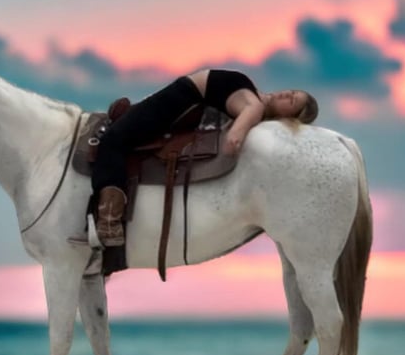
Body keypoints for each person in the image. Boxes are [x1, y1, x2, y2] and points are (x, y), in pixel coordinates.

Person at [91, 69, 319, 247]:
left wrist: (237, 133)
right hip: (182, 93)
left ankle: (110, 220)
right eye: (293, 92)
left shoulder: (255, 105)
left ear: (287, 117)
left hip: (180, 99)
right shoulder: (256, 95)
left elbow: (241, 125)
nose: (288, 94)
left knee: (113, 139)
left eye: (292, 102)